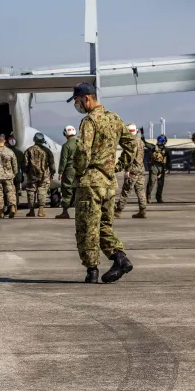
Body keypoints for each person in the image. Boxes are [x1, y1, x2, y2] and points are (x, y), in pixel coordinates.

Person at [67, 82, 136, 284]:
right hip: (108, 183)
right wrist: (117, 165)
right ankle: (120, 258)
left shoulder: (89, 121)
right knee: (104, 225)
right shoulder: (114, 118)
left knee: (87, 227)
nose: (78, 105)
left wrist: (79, 172)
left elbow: (82, 151)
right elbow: (132, 144)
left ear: (87, 98)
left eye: (78, 101)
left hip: (90, 183)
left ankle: (92, 270)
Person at [115, 123, 147, 219]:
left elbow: (130, 158)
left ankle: (118, 210)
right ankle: (143, 209)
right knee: (140, 191)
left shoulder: (131, 143)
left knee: (126, 190)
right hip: (140, 169)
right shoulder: (140, 142)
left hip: (132, 169)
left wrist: (127, 170)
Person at [24, 132, 53, 217]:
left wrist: (27, 172)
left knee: (31, 191)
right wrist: (52, 172)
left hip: (32, 175)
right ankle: (41, 210)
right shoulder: (47, 151)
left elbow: (25, 164)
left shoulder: (29, 150)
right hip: (44, 174)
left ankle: (31, 211)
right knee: (42, 190)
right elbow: (51, 163)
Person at [55, 126, 77, 219]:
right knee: (77, 190)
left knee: (67, 190)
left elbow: (63, 160)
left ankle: (65, 212)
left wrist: (60, 172)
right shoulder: (79, 143)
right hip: (79, 169)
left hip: (69, 170)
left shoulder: (66, 145)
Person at [143, 133, 170, 203]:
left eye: (160, 140)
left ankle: (159, 198)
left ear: (164, 141)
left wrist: (167, 168)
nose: (158, 141)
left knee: (161, 184)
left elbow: (169, 160)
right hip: (154, 167)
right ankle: (148, 197)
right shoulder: (153, 147)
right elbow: (145, 143)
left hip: (162, 168)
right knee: (151, 182)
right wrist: (142, 136)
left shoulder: (166, 150)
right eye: (158, 139)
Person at [7, 134, 25, 214]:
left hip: (8, 175)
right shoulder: (20, 153)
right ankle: (16, 206)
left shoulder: (6, 153)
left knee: (8, 191)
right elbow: (23, 166)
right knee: (16, 191)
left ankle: (10, 207)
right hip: (17, 175)